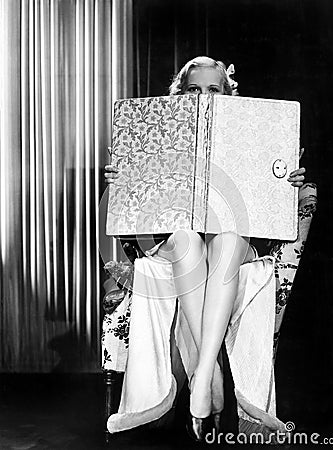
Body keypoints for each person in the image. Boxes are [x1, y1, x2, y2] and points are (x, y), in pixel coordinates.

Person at [104, 56, 306, 441]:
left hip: (234, 248)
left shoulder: (250, 133)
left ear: (228, 94)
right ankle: (208, 375)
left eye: (213, 89)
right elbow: (134, 214)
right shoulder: (160, 134)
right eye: (194, 89)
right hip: (179, 246)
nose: (203, 97)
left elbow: (273, 205)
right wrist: (122, 177)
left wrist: (286, 182)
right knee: (185, 237)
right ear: (180, 94)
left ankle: (201, 376)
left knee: (227, 237)